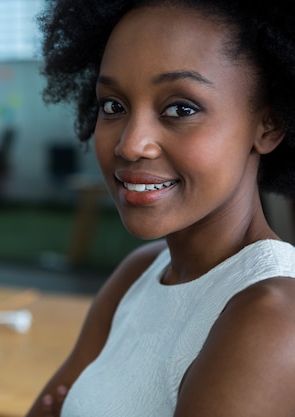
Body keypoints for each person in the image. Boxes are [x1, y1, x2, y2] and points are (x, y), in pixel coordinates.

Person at [26, 1, 295, 416]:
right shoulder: (142, 270)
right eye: (113, 106)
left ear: (269, 124)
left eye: (181, 109)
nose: (131, 144)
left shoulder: (272, 316)